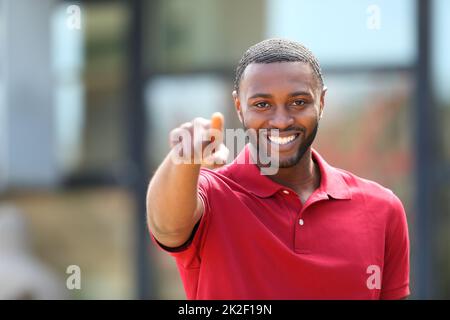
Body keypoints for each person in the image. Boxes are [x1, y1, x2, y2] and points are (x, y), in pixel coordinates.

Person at [146, 38, 410, 300]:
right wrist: (182, 158)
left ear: (322, 102)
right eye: (262, 104)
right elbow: (166, 225)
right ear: (239, 107)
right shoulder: (212, 194)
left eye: (298, 102)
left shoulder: (381, 208)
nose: (281, 121)